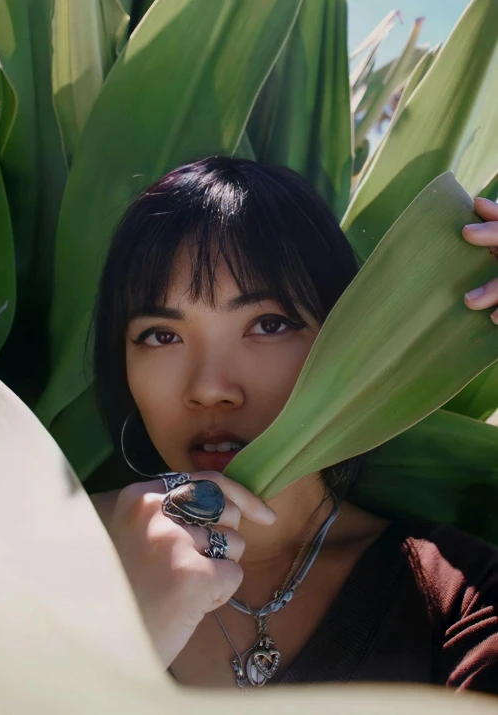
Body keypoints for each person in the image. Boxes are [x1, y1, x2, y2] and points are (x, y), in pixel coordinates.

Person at [89, 156, 498, 693]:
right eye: (161, 336)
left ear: (344, 343)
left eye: (268, 324)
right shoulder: (31, 549)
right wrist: (121, 641)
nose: (210, 387)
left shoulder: (458, 598)